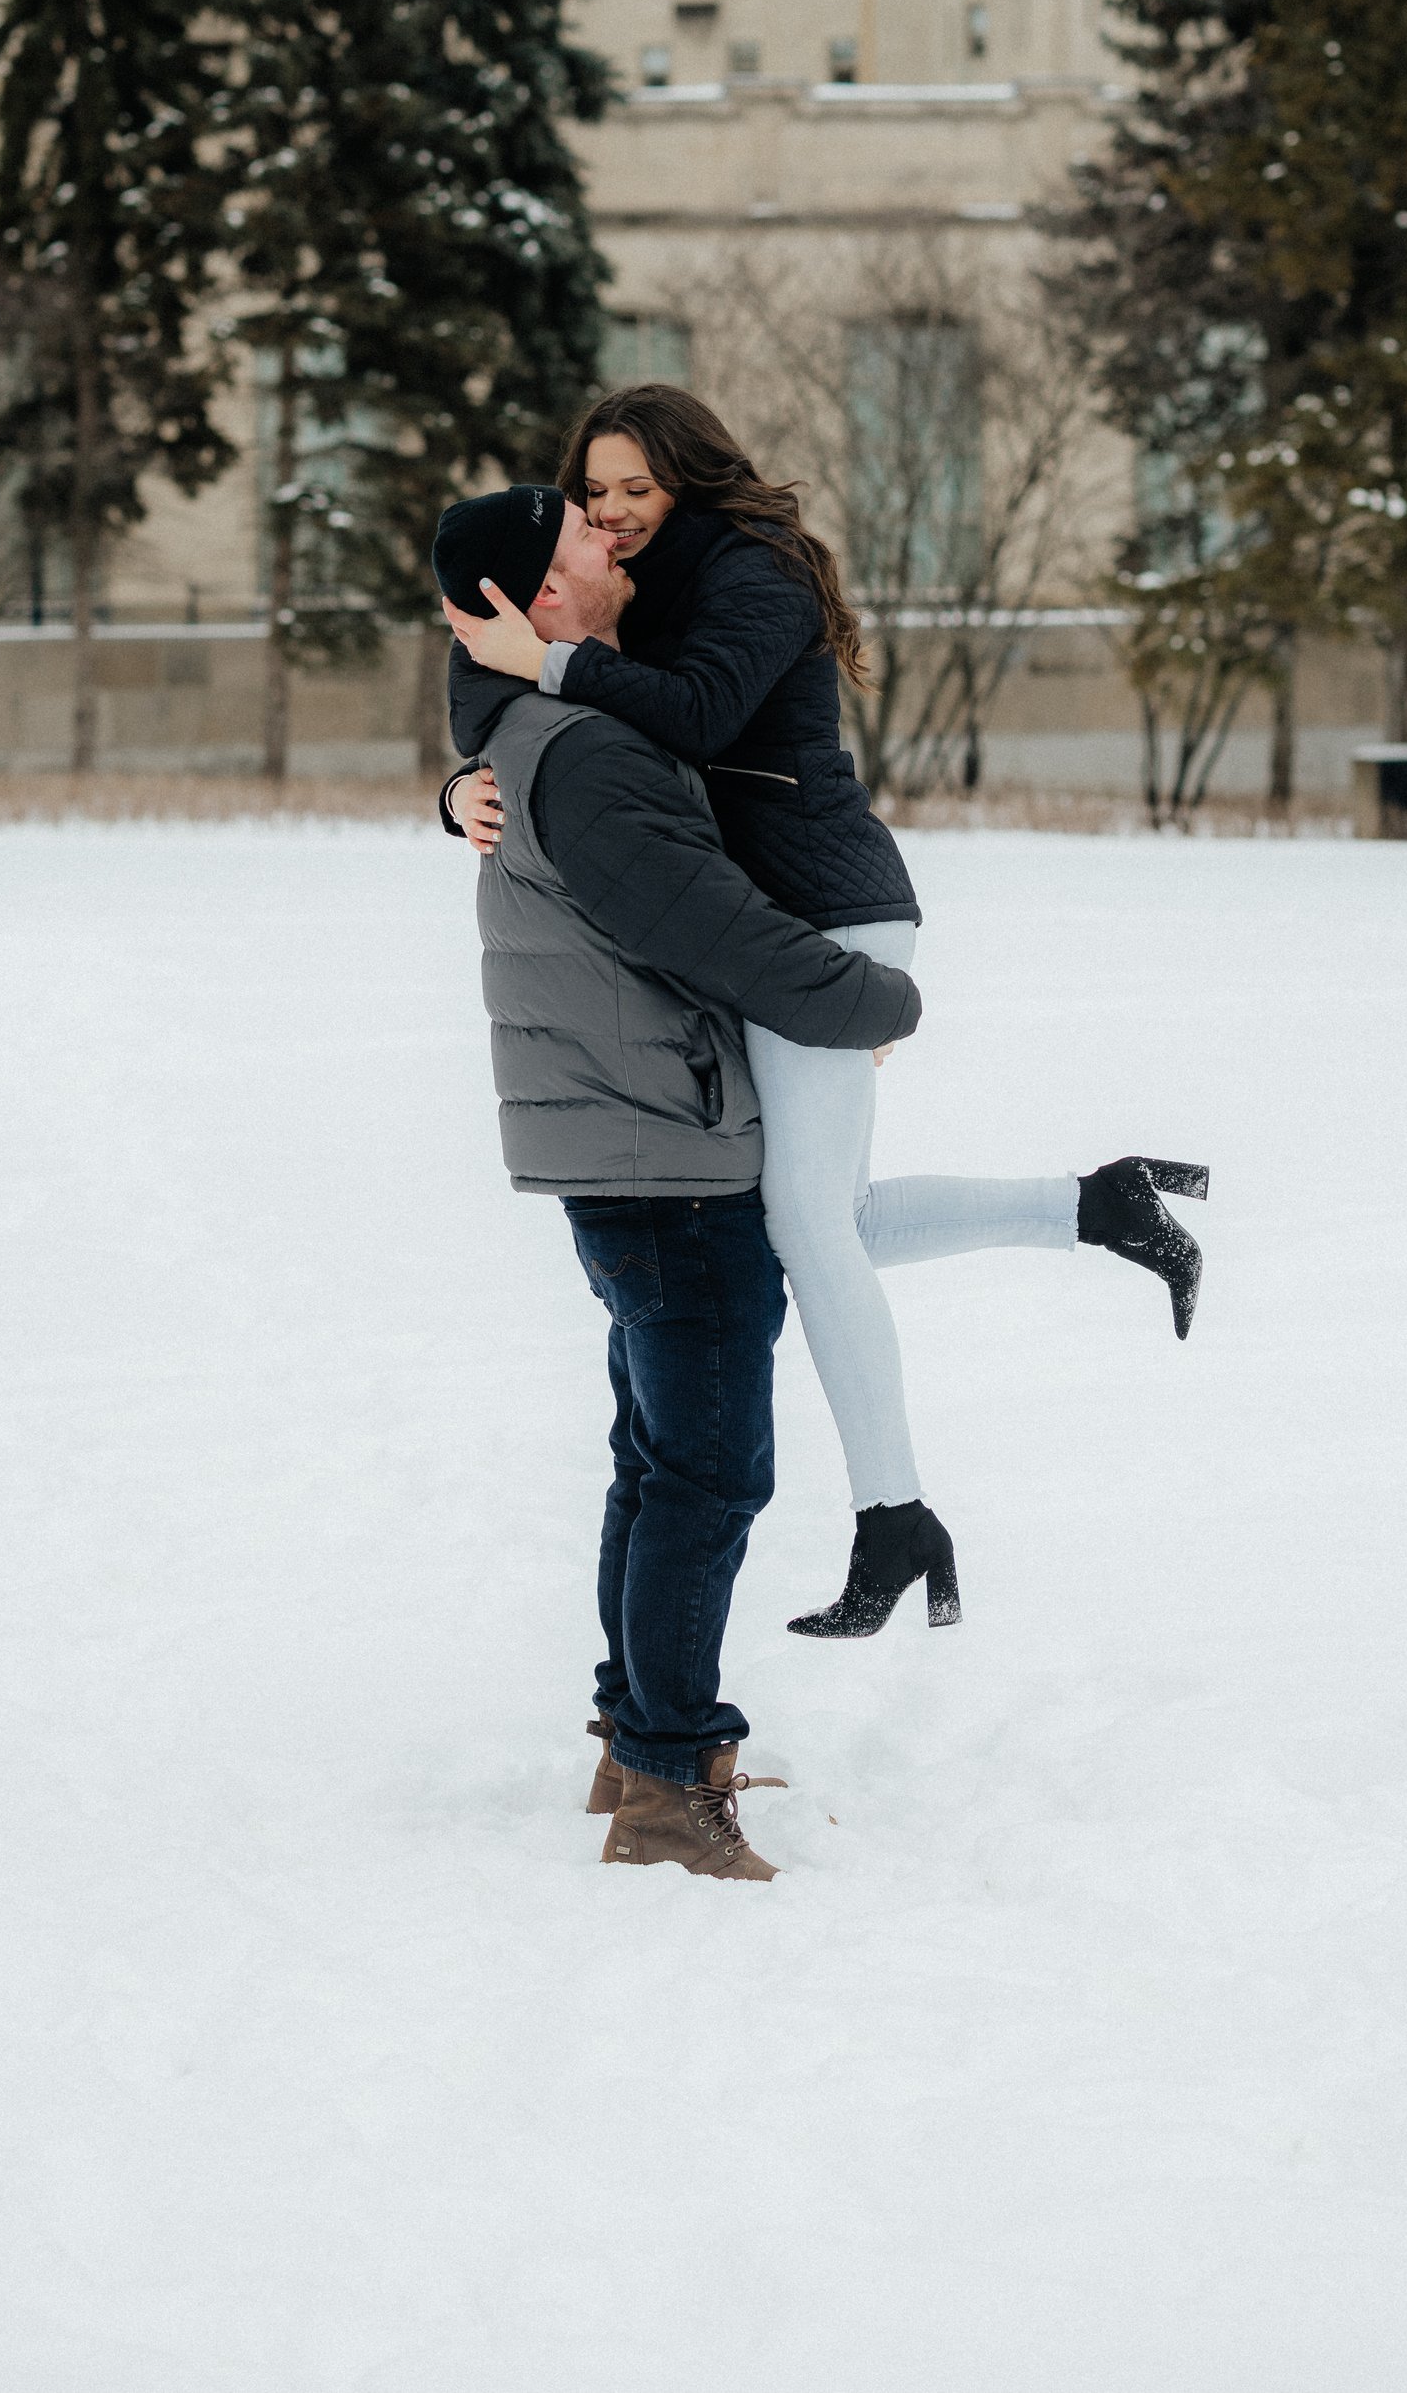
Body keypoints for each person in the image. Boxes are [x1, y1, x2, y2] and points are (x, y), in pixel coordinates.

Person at [443, 382, 1207, 1642]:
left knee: (802, 1219)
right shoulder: (610, 589)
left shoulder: (755, 574)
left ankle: (893, 1516)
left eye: (636, 487)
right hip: (759, 935)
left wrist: (554, 662)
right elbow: (492, 681)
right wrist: (463, 781)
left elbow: (691, 713)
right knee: (824, 1215)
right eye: (593, 494)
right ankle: (1092, 1205)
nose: (612, 513)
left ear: (690, 477)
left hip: (829, 918)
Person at [431, 475, 921, 1882]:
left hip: (635, 1140)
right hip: (668, 1155)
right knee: (707, 1474)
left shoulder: (549, 727)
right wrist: (872, 1002)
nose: (612, 532)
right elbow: (709, 930)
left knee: (660, 1465)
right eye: (584, 529)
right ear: (539, 602)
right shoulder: (584, 749)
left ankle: (632, 1740)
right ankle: (664, 1778)